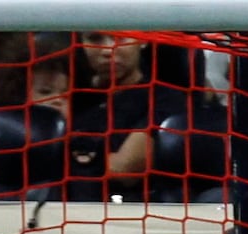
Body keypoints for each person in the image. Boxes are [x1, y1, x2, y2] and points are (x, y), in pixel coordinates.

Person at [63, 31, 185, 202]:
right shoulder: (70, 95)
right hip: (63, 206)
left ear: (142, 39)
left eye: (120, 37)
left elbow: (124, 169)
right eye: (94, 38)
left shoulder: (166, 99)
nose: (107, 49)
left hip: (133, 208)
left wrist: (63, 155)